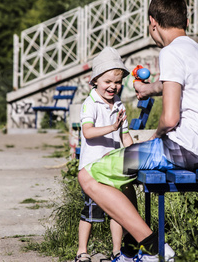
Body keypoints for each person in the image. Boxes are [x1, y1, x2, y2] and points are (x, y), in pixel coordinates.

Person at [78, 0, 198, 262]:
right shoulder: (196, 49)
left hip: (180, 148)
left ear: (152, 23)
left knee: (88, 175)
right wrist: (149, 89)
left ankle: (155, 250)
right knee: (117, 171)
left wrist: (155, 138)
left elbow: (170, 119)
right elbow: (175, 85)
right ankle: (134, 249)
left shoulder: (169, 53)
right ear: (186, 22)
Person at [75, 46, 134, 262]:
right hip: (93, 171)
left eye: (117, 82)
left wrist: (134, 153)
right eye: (108, 81)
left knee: (116, 211)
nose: (113, 86)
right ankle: (82, 250)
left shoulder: (118, 104)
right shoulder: (90, 103)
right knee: (90, 213)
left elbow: (125, 136)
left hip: (114, 169)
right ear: (95, 81)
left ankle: (117, 251)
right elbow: (88, 132)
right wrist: (111, 127)